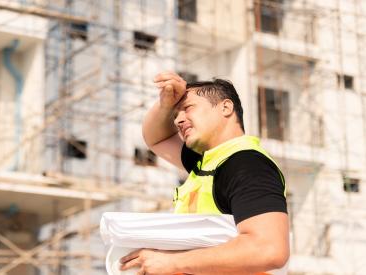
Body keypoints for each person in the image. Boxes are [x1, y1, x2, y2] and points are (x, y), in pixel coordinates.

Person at [119, 72, 289, 275]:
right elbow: (155, 138)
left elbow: (268, 250)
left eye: (188, 108)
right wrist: (166, 104)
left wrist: (172, 263)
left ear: (225, 107)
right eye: (176, 115)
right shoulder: (209, 163)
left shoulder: (246, 164)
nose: (178, 120)